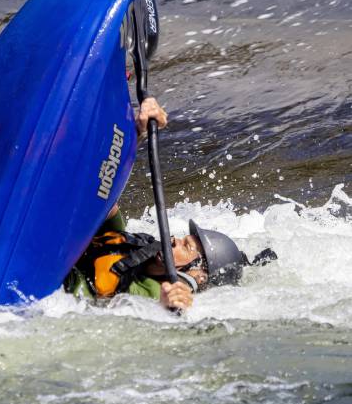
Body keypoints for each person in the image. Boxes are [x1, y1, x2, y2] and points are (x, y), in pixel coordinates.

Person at [65, 97, 277, 311]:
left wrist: (169, 307)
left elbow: (155, 308)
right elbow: (104, 190)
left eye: (187, 246)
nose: (173, 240)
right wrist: (138, 132)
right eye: (183, 239)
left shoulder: (157, 297)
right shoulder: (136, 246)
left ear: (198, 274)